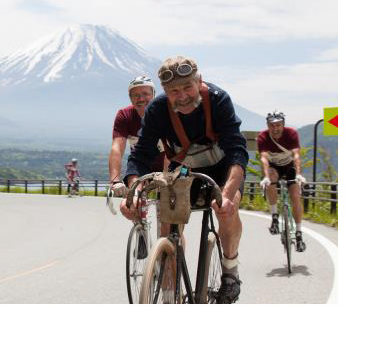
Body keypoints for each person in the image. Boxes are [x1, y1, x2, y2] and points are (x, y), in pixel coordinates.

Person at [120, 56, 248, 304]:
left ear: (199, 80)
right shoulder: (157, 110)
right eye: (173, 91)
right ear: (165, 92)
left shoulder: (218, 100)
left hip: (223, 169)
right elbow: (141, 154)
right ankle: (170, 292)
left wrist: (228, 194)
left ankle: (230, 272)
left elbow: (237, 151)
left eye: (188, 87)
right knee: (168, 224)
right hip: (184, 170)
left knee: (227, 211)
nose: (182, 96)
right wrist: (133, 191)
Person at [257, 111, 307, 252]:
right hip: (274, 168)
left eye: (278, 125)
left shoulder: (291, 134)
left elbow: (296, 155)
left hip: (290, 167)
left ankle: (298, 233)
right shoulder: (263, 137)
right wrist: (266, 177)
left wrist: (298, 174)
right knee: (271, 179)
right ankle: (274, 217)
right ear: (268, 126)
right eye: (272, 125)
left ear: (283, 125)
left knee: (295, 196)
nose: (275, 128)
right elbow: (264, 158)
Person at [108, 75, 165, 197]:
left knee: (166, 205)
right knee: (134, 195)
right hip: (141, 164)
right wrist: (115, 180)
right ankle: (136, 206)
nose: (141, 98)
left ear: (154, 94)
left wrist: (167, 176)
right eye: (136, 95)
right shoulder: (125, 115)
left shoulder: (164, 112)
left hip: (167, 164)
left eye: (145, 94)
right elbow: (117, 148)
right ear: (130, 98)